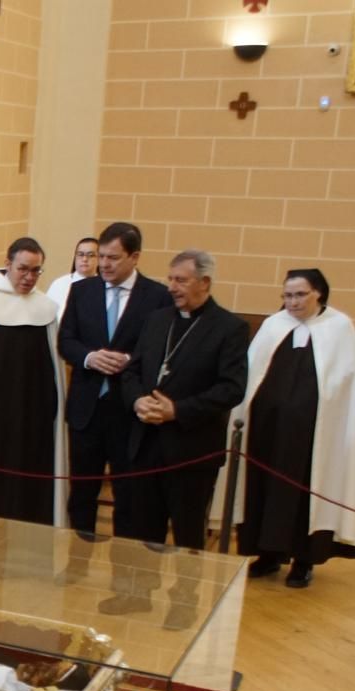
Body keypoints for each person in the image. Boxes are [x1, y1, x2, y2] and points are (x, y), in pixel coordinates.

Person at [108, 250, 248, 628]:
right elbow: (133, 371)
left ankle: (184, 601)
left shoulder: (229, 328)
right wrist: (137, 399)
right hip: (146, 441)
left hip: (191, 448)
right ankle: (138, 593)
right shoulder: (157, 320)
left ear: (205, 282)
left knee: (187, 531)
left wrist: (177, 410)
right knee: (143, 526)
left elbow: (232, 389)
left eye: (181, 280)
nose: (172, 287)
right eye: (170, 279)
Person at [232, 269, 355, 588]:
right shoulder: (274, 325)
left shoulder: (338, 327)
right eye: (287, 295)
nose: (292, 302)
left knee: (305, 493)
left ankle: (303, 560)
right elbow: (253, 373)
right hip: (266, 432)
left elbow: (345, 383)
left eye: (300, 295)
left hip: (315, 436)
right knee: (263, 488)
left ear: (319, 294)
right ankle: (266, 555)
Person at [58, 222, 172, 542]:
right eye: (101, 257)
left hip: (129, 409)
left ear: (134, 257)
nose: (104, 264)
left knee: (129, 493)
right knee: (82, 489)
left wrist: (130, 362)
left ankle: (124, 566)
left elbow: (161, 350)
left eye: (113, 258)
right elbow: (66, 340)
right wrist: (89, 357)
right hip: (86, 407)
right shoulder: (82, 290)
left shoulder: (157, 296)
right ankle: (78, 557)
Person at [0, 237, 65, 525]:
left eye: (36, 271)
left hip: (34, 427)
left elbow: (52, 371)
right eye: (23, 269)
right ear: (8, 264)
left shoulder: (46, 310)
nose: (29, 277)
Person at [45, 236, 99, 319]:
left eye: (90, 255)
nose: (84, 259)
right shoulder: (59, 284)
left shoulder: (104, 285)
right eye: (80, 254)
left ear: (99, 258)